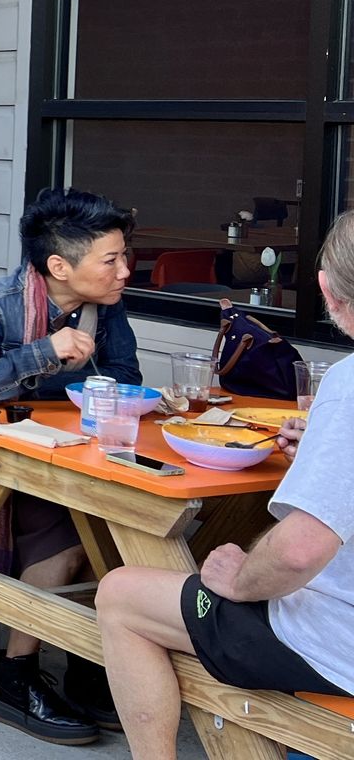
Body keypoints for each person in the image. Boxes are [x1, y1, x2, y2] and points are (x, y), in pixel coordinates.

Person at [96, 212, 354, 760]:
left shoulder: (349, 384)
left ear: (326, 289)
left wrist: (240, 581)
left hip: (339, 649)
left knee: (120, 593)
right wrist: (321, 451)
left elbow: (300, 551)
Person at [0, 187, 141, 745]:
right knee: (74, 536)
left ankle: (86, 665)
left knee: (118, 527)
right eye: (111, 259)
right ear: (60, 266)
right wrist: (45, 352)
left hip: (60, 451)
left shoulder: (108, 309)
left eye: (124, 256)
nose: (124, 271)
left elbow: (123, 378)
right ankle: (13, 674)